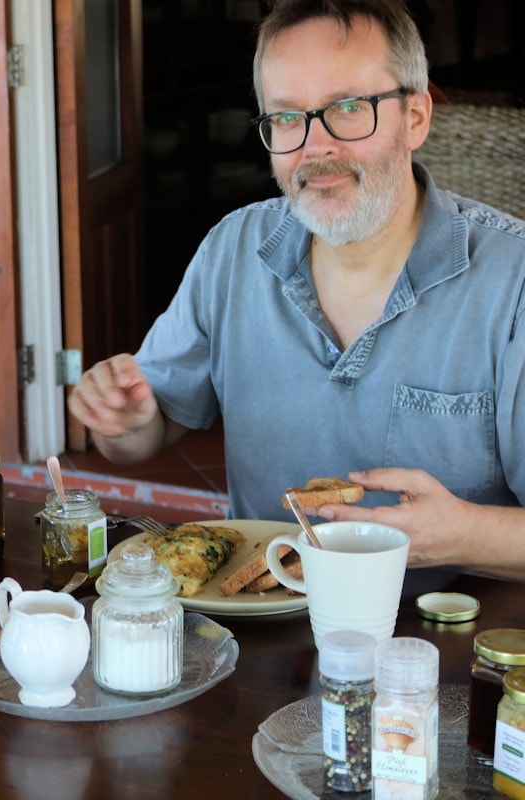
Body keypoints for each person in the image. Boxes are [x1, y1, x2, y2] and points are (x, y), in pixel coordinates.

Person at [69, 0, 525, 581]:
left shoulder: (513, 280)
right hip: (257, 629)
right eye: (286, 118)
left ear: (416, 116)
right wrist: (124, 423)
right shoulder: (232, 251)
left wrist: (463, 535)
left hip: (443, 642)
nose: (315, 147)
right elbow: (148, 433)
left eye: (349, 108)